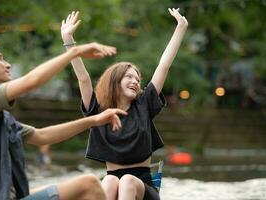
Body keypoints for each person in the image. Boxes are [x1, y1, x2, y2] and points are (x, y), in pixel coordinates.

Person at [0, 34, 127, 200]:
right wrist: (74, 52)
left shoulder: (2, 118)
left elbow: (42, 136)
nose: (8, 64)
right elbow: (32, 81)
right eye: (0, 59)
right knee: (88, 185)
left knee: (49, 188)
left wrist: (95, 120)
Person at [61, 8, 188, 200]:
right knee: (109, 181)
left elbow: (164, 65)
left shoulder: (144, 105)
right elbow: (83, 78)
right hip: (112, 185)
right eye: (129, 76)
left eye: (137, 79)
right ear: (115, 81)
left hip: (142, 187)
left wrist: (181, 27)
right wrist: (69, 41)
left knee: (127, 180)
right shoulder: (99, 112)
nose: (136, 81)